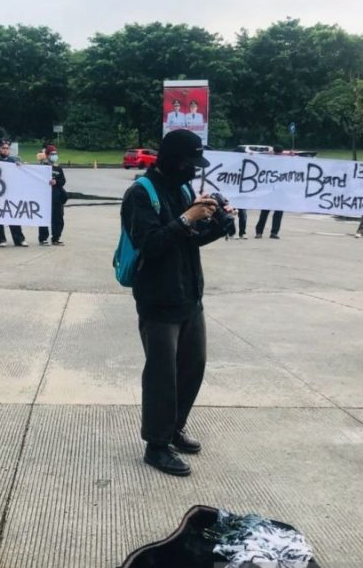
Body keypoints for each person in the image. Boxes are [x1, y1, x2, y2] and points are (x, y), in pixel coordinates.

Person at [120, 129, 234, 477]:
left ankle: (175, 428)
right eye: (189, 163)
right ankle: (156, 445)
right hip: (158, 299)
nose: (193, 171)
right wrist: (188, 218)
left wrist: (218, 224)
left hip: (189, 296)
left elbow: (190, 240)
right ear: (171, 160)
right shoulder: (140, 193)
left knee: (192, 366)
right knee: (161, 375)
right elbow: (150, 244)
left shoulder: (184, 189)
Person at [0, 141, 28, 247]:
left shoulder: (13, 161)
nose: (5, 150)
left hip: (11, 193)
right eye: (3, 148)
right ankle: (1, 239)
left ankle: (19, 239)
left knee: (14, 215)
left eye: (7, 148)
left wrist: (21, 167)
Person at [254, 147, 288, 239]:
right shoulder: (268, 161)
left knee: (278, 212)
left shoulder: (284, 162)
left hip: (279, 190)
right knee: (264, 212)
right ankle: (259, 231)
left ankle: (274, 232)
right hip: (268, 191)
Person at [37, 144, 67, 246]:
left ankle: (56, 238)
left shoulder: (58, 168)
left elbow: (63, 181)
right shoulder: (41, 167)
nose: (54, 156)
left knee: (58, 219)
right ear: (46, 155)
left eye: (55, 154)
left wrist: (56, 182)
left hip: (57, 198)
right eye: (52, 154)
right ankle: (43, 238)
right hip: (45, 198)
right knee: (44, 219)